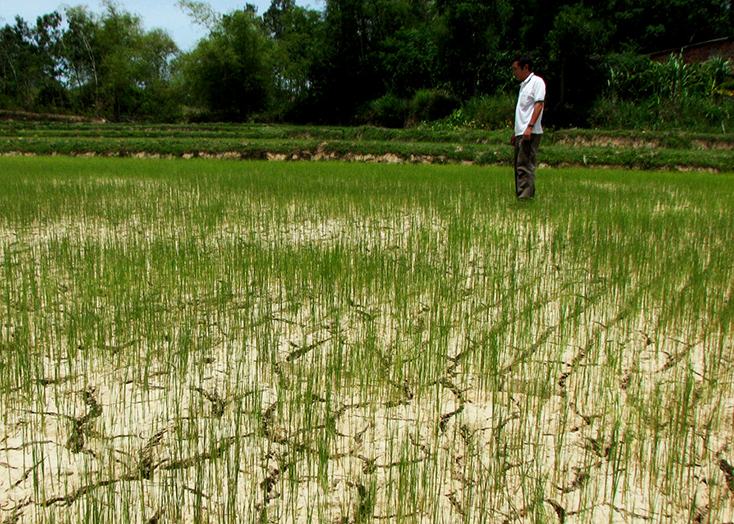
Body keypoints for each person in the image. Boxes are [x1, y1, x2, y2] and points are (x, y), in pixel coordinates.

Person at [510, 56, 545, 200]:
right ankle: (523, 195)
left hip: (530, 132)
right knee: (519, 166)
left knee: (525, 166)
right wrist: (516, 132)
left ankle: (525, 199)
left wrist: (529, 127)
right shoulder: (523, 85)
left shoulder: (536, 82)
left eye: (516, 69)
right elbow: (522, 111)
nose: (514, 73)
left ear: (526, 67)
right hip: (521, 132)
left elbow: (539, 105)